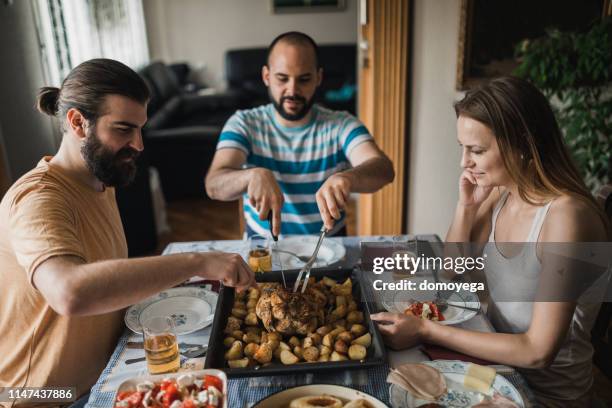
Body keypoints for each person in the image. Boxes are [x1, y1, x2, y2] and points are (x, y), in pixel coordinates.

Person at [0, 59, 255, 405]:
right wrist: (196, 262)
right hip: (44, 397)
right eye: (123, 129)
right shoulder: (39, 199)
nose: (138, 144)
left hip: (105, 375)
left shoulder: (99, 181)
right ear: (77, 123)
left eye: (139, 129)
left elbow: (105, 275)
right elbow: (70, 292)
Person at [371, 76, 609, 407]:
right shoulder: (503, 192)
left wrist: (426, 331)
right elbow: (452, 271)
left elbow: (538, 352)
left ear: (523, 143)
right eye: (463, 148)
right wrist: (465, 207)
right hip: (496, 375)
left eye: (477, 150)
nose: (464, 162)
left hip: (548, 397)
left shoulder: (567, 217)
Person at [205, 31, 394, 237]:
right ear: (266, 77)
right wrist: (250, 176)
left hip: (329, 247)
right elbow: (213, 184)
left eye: (304, 79)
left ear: (318, 78)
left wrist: (349, 178)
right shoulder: (243, 123)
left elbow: (384, 169)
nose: (292, 90)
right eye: (282, 79)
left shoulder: (341, 124)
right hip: (263, 250)